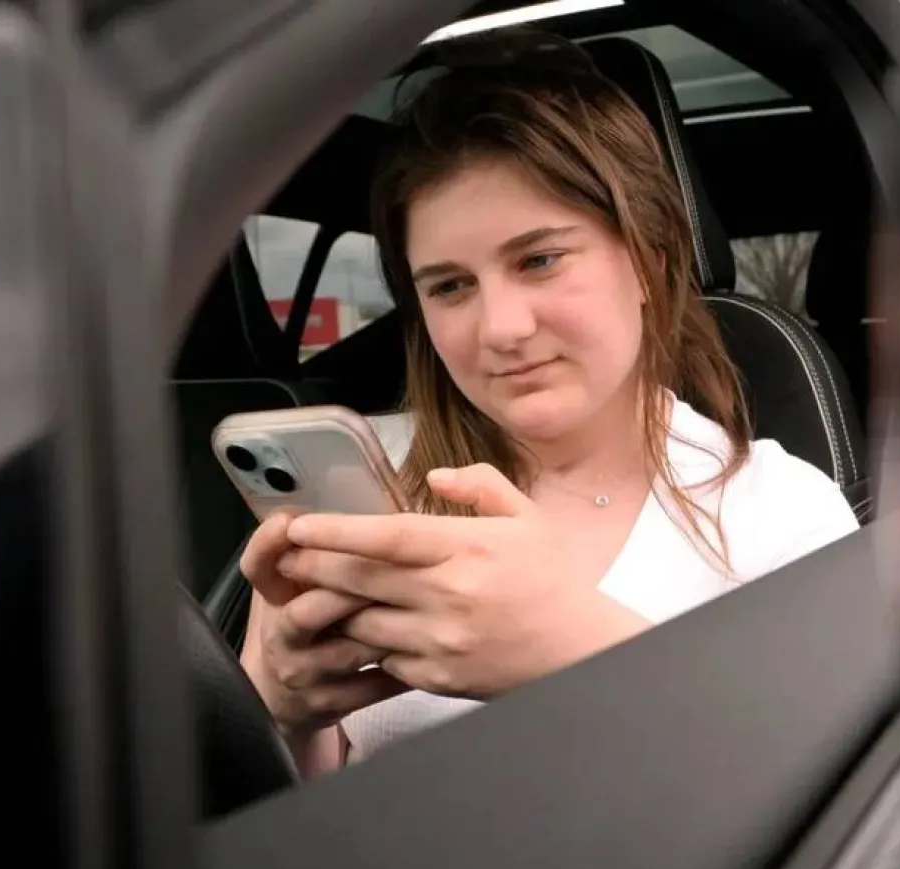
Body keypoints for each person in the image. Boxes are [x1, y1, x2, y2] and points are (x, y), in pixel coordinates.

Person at [238, 30, 859, 776]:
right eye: (450, 286)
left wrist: (580, 651)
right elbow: (299, 823)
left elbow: (847, 815)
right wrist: (280, 710)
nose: (501, 328)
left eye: (539, 260)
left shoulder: (782, 511)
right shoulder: (369, 491)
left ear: (647, 263)